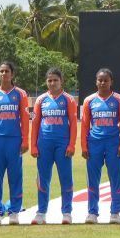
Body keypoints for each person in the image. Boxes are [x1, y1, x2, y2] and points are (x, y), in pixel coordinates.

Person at [0, 60, 31, 225]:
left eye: (7, 71)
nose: (4, 74)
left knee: (15, 176)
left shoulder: (20, 94)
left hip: (14, 141)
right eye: (1, 71)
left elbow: (25, 120)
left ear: (12, 74)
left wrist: (25, 141)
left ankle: (14, 211)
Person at [80, 68, 120, 224]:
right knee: (93, 180)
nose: (102, 83)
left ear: (111, 82)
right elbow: (85, 126)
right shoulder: (89, 100)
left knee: (116, 178)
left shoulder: (119, 100)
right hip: (94, 144)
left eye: (105, 80)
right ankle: (92, 212)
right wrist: (84, 147)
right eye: (100, 80)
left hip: (113, 143)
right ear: (96, 81)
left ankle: (115, 212)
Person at [29, 67, 79, 224]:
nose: (52, 83)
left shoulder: (68, 99)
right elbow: (35, 123)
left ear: (61, 81)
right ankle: (41, 212)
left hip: (62, 144)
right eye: (49, 80)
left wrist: (71, 145)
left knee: (66, 178)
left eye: (55, 80)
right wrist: (33, 146)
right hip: (44, 144)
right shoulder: (41, 100)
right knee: (43, 179)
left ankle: (67, 212)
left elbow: (73, 124)